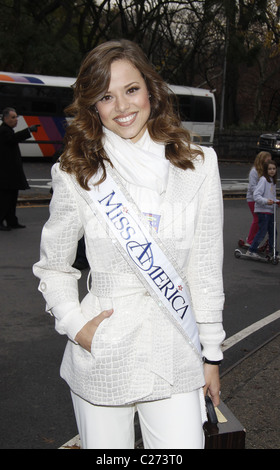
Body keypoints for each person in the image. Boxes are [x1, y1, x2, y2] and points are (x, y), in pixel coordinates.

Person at [33, 39, 225, 450]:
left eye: (131, 89)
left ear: (151, 91)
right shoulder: (76, 171)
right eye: (106, 96)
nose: (122, 106)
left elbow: (205, 269)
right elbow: (54, 265)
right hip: (103, 352)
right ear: (93, 107)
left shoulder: (200, 165)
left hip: (176, 351)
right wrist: (77, 326)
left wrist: (211, 354)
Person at [0, 107, 39, 231]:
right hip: (6, 174)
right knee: (5, 200)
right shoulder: (4, 131)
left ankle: (12, 221)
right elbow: (13, 139)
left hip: (10, 174)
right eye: (13, 117)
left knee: (11, 199)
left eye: (16, 117)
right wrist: (28, 130)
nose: (16, 119)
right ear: (5, 118)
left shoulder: (8, 130)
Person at [247, 160, 279, 258]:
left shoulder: (272, 181)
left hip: (270, 210)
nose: (272, 171)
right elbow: (256, 195)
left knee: (273, 232)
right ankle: (251, 250)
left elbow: (272, 197)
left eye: (274, 169)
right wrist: (266, 201)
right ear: (266, 170)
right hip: (262, 210)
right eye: (270, 169)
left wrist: (276, 202)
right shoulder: (263, 180)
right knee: (262, 231)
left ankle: (272, 251)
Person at [245, 151, 271, 247]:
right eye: (267, 160)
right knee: (257, 219)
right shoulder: (254, 171)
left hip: (262, 199)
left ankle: (253, 238)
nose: (269, 161)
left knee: (262, 220)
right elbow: (253, 187)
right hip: (253, 199)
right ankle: (250, 240)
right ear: (262, 160)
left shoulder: (266, 171)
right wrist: (261, 195)